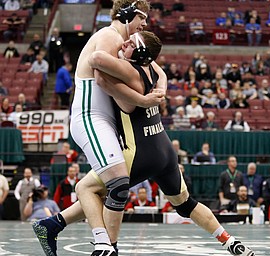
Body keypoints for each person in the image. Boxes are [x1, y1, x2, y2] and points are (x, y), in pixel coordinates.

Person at [33, 30, 254, 256]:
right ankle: (229, 241)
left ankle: (107, 246)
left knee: (88, 188)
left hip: (140, 153)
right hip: (165, 152)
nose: (125, 42)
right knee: (186, 204)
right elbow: (158, 69)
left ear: (138, 54)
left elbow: (98, 69)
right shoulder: (153, 71)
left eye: (131, 44)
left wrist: (139, 96)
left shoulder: (130, 73)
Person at [33, 2, 166, 256]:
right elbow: (101, 77)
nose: (145, 23)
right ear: (126, 13)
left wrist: (159, 90)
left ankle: (50, 225)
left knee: (99, 187)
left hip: (104, 121)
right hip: (90, 118)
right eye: (142, 17)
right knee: (118, 183)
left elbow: (158, 72)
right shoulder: (109, 36)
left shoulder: (127, 43)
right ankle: (104, 244)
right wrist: (144, 100)